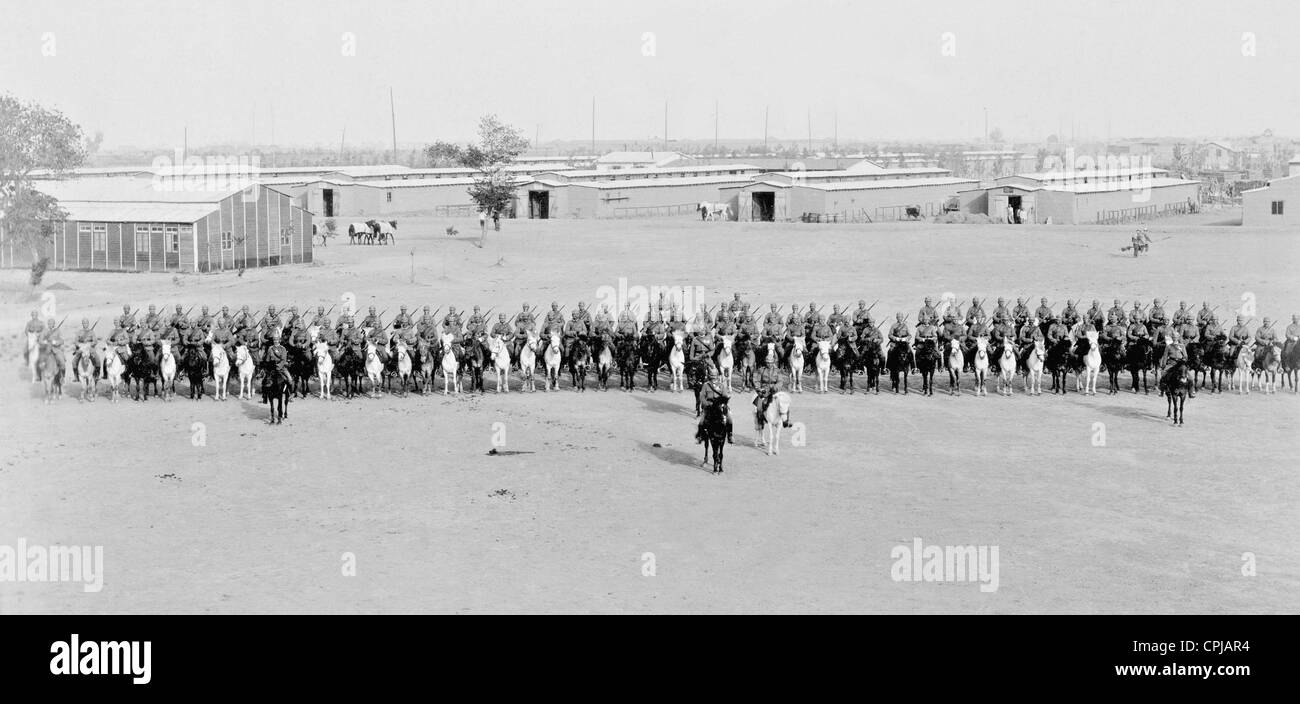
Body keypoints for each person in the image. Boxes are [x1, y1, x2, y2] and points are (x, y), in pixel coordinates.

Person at [695, 366, 734, 444]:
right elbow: (702, 396)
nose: (713, 378)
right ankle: (700, 436)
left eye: (715, 376)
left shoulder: (721, 385)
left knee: (729, 416)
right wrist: (706, 403)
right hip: (709, 405)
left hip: (719, 405)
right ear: (709, 376)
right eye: (712, 376)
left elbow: (725, 396)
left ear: (717, 376)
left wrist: (724, 402)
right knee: (701, 420)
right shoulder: (706, 385)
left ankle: (730, 435)